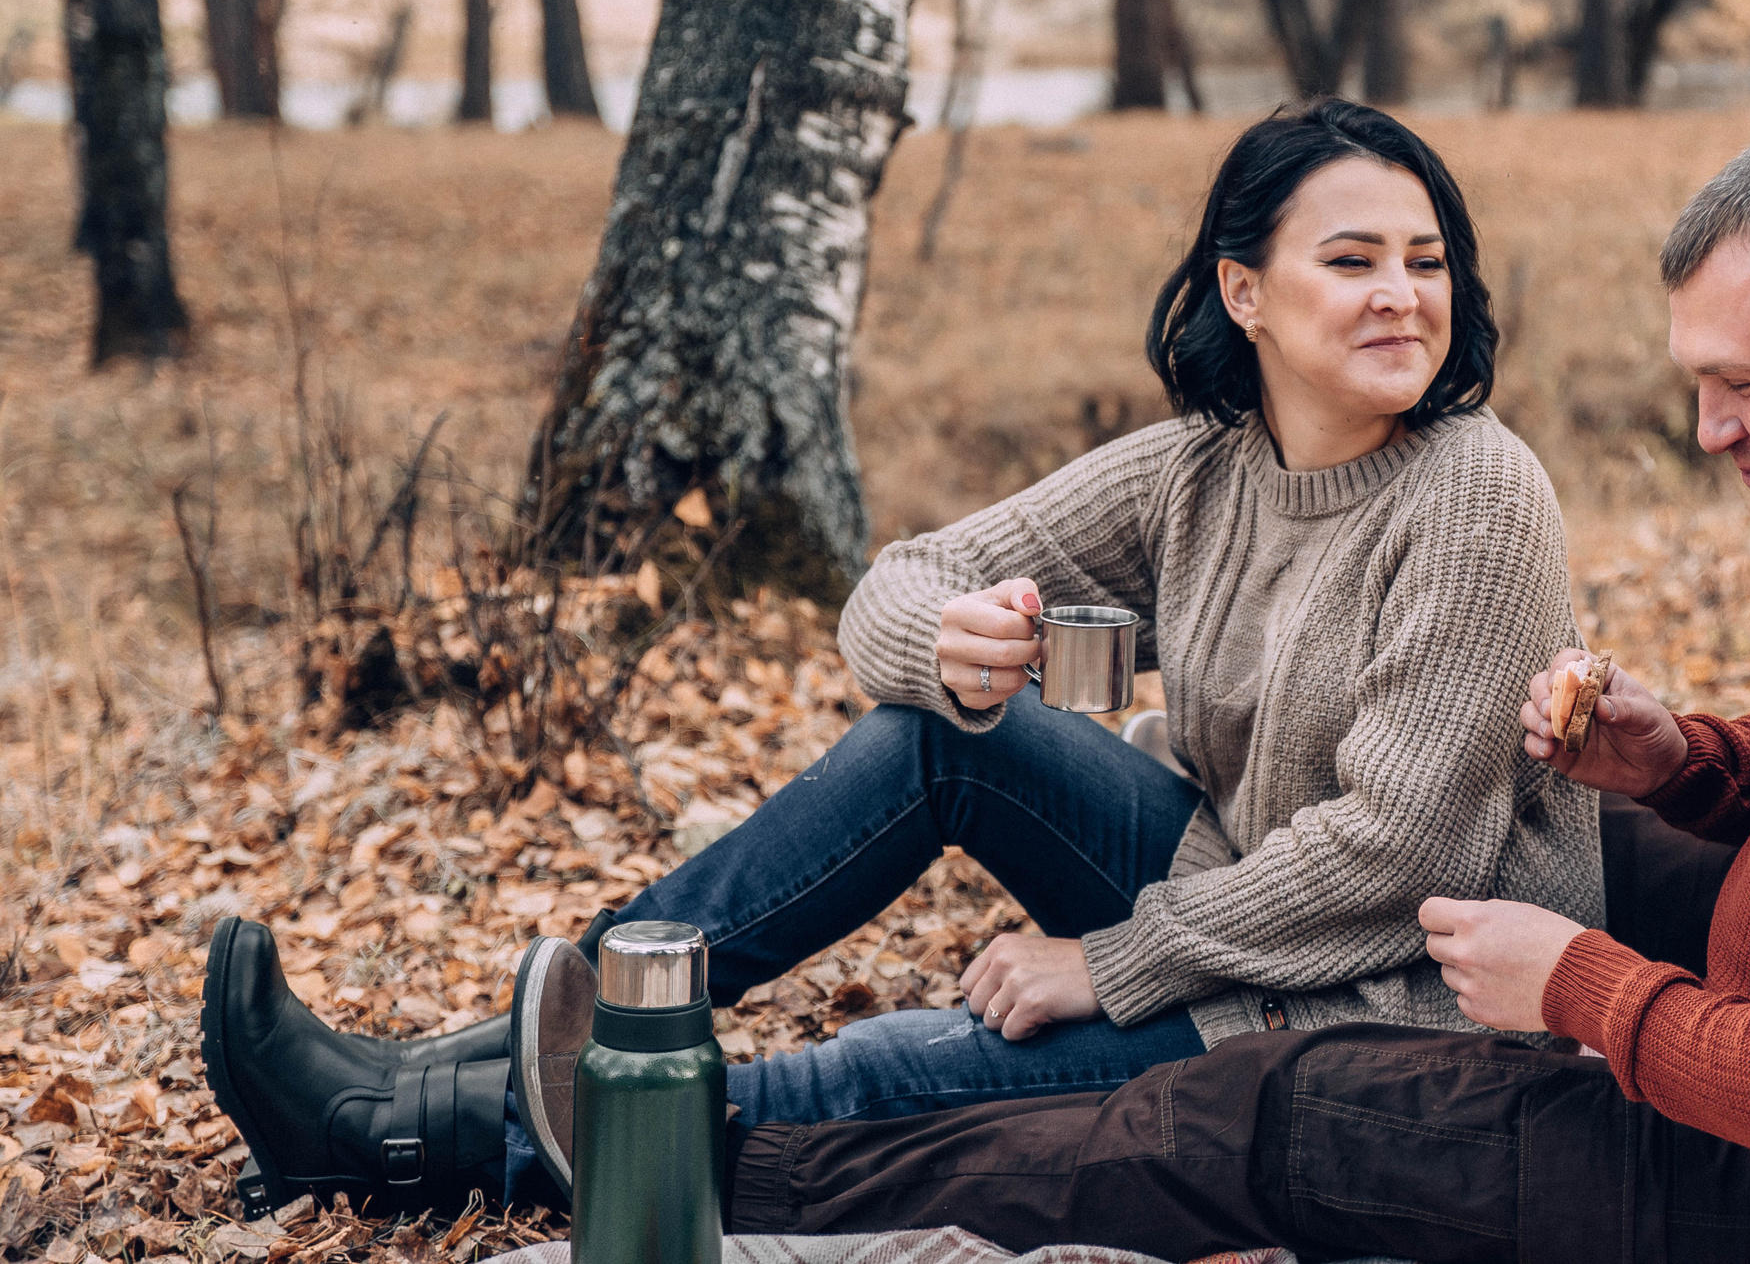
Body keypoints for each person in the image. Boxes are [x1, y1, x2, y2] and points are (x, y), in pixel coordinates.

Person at [691, 119, 1750, 1264]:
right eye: (1696, 383)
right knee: (1539, 867)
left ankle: (698, 1184)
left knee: (1274, 1112)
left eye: (1743, 384)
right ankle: (622, 1030)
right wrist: (1687, 757)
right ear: (1243, 292)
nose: (1710, 431)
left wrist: (1582, 987)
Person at [198, 99, 1601, 1216]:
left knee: (884, 1068)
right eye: (1351, 259)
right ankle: (522, 1032)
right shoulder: (1204, 470)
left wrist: (1109, 961)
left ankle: (406, 1132)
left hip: (1395, 995)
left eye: (1425, 262)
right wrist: (951, 647)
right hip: (1235, 887)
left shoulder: (1476, 492)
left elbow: (1395, 849)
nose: (1402, 296)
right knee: (939, 736)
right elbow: (893, 586)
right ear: (1244, 289)